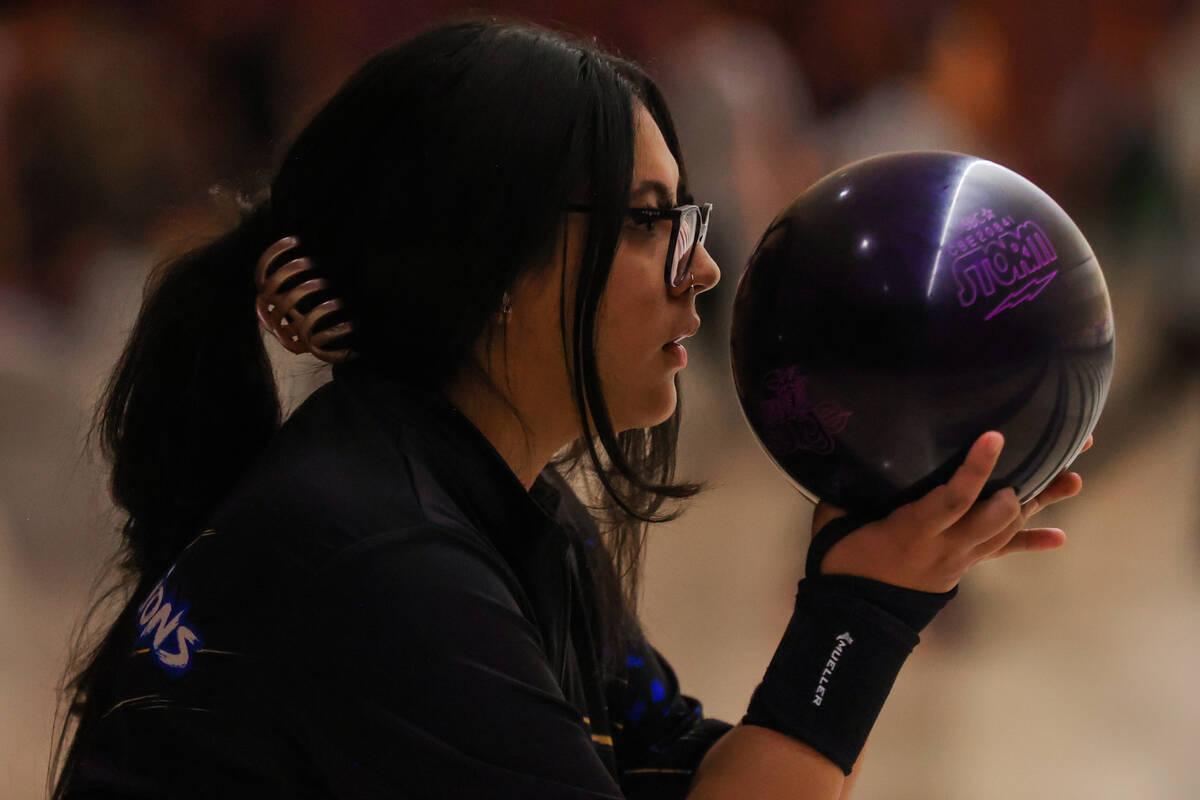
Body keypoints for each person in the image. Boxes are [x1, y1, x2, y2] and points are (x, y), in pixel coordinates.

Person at [51, 19, 1090, 799]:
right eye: (646, 222)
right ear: (487, 259)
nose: (706, 268)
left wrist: (869, 597)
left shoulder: (485, 507)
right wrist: (861, 614)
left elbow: (697, 777)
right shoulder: (378, 555)